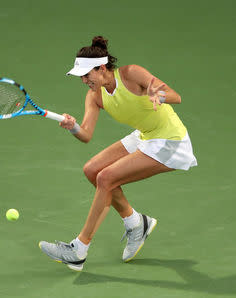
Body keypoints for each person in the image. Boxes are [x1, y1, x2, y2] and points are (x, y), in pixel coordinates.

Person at [39, 36, 197, 271]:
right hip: (145, 135)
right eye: (80, 76)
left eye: (86, 75)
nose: (83, 81)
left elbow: (176, 96)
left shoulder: (132, 74)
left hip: (169, 140)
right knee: (92, 170)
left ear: (102, 68)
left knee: (106, 178)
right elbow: (86, 134)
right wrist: (72, 125)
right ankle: (136, 224)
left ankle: (78, 249)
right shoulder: (95, 96)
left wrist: (158, 95)